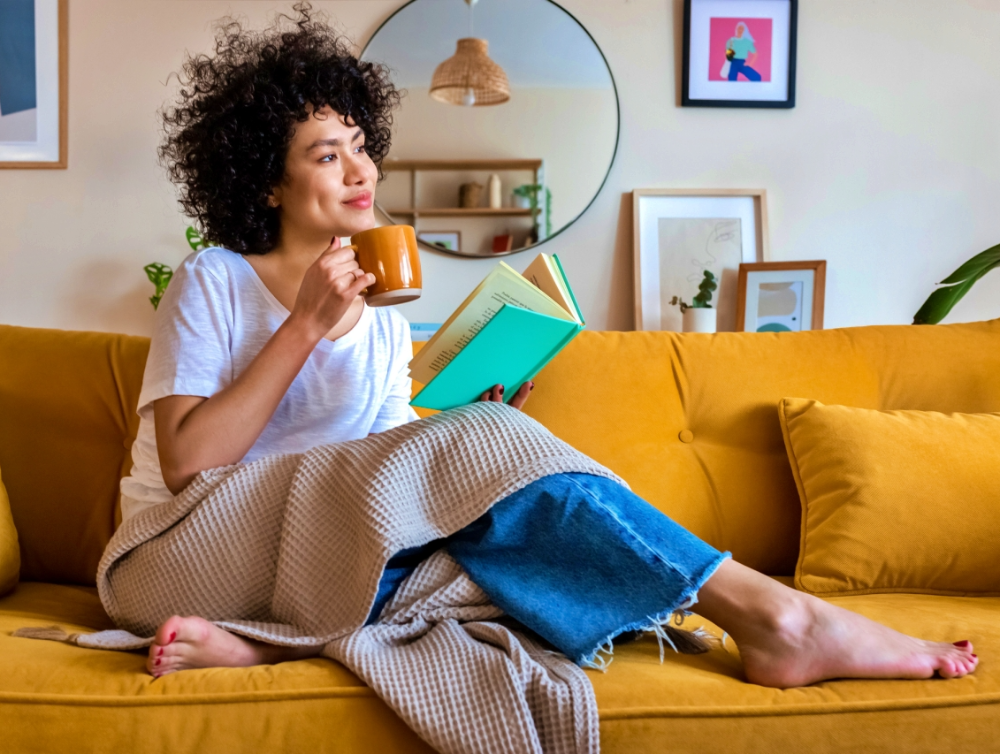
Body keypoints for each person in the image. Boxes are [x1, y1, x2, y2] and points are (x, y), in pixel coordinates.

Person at [124, 3, 978, 687]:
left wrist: (471, 423)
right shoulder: (215, 280)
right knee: (499, 532)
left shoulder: (381, 317)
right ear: (267, 184)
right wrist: (305, 326)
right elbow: (189, 465)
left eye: (360, 146)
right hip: (182, 555)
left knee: (507, 555)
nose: (361, 172)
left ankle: (271, 641)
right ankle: (777, 615)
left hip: (313, 559)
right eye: (325, 155)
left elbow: (378, 484)